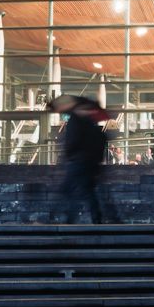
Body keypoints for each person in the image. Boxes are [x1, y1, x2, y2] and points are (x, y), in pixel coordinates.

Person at [50, 94, 116, 223]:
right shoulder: (90, 124)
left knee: (69, 190)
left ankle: (68, 220)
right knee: (88, 191)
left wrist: (68, 155)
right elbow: (100, 143)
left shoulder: (77, 120)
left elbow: (72, 141)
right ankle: (96, 219)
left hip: (79, 161)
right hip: (89, 163)